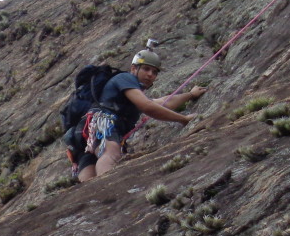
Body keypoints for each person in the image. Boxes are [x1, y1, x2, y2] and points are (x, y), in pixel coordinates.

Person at [77, 49, 206, 182]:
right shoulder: (125, 78)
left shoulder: (130, 92)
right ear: (133, 68)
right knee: (112, 154)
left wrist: (190, 95)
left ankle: (95, 200)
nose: (150, 74)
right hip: (103, 123)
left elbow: (163, 103)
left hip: (84, 131)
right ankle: (108, 188)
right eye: (146, 69)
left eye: (154, 72)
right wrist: (183, 119)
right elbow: (148, 106)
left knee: (88, 179)